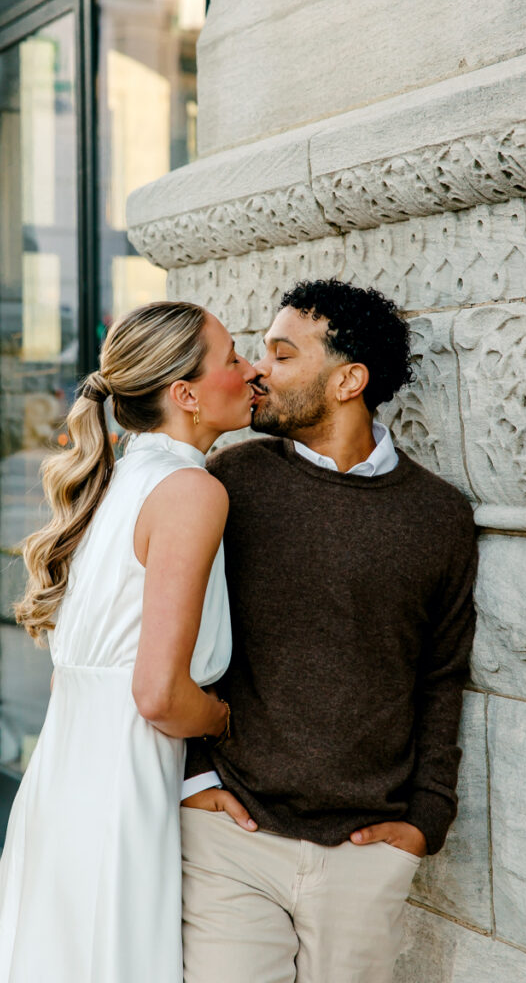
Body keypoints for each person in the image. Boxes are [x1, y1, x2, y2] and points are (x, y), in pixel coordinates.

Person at [181, 278, 478, 983]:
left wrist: (424, 819)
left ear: (348, 381)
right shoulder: (229, 481)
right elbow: (168, 633)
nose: (256, 372)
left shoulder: (437, 515)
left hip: (367, 848)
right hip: (232, 834)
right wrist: (192, 779)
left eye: (281, 357)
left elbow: (441, 673)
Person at [0, 301, 256, 983]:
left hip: (65, 779)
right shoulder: (190, 490)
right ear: (185, 394)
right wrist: (228, 719)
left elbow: (73, 675)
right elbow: (157, 694)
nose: (251, 372)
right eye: (232, 358)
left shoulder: (117, 479)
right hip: (120, 794)